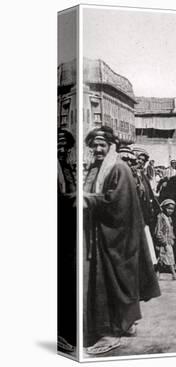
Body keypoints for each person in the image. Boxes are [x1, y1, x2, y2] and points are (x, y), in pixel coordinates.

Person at [83, 126, 160, 355]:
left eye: (102, 145)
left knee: (111, 281)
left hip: (117, 238)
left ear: (110, 146)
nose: (97, 149)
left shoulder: (118, 168)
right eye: (94, 145)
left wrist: (88, 200)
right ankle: (125, 324)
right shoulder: (98, 168)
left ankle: (111, 332)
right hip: (102, 235)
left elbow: (117, 204)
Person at [57, 128, 77, 352]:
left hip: (68, 229)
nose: (62, 148)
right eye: (58, 144)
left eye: (65, 145)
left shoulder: (65, 166)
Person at [154, 199, 176, 281]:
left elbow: (170, 229)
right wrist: (162, 241)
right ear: (163, 208)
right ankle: (174, 274)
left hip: (168, 241)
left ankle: (157, 275)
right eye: (168, 208)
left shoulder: (169, 218)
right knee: (168, 258)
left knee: (162, 259)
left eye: (172, 209)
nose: (170, 211)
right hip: (163, 241)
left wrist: (172, 238)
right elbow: (158, 230)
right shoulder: (161, 217)